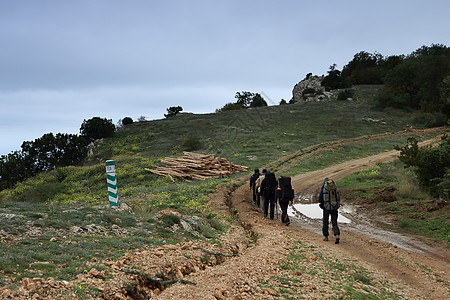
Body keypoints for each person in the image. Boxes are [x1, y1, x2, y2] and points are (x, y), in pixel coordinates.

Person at [318, 177, 341, 244]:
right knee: (334, 222)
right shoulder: (334, 187)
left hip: (326, 208)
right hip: (334, 207)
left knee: (325, 222)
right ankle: (337, 235)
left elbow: (320, 199)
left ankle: (326, 236)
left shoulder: (324, 188)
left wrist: (322, 204)